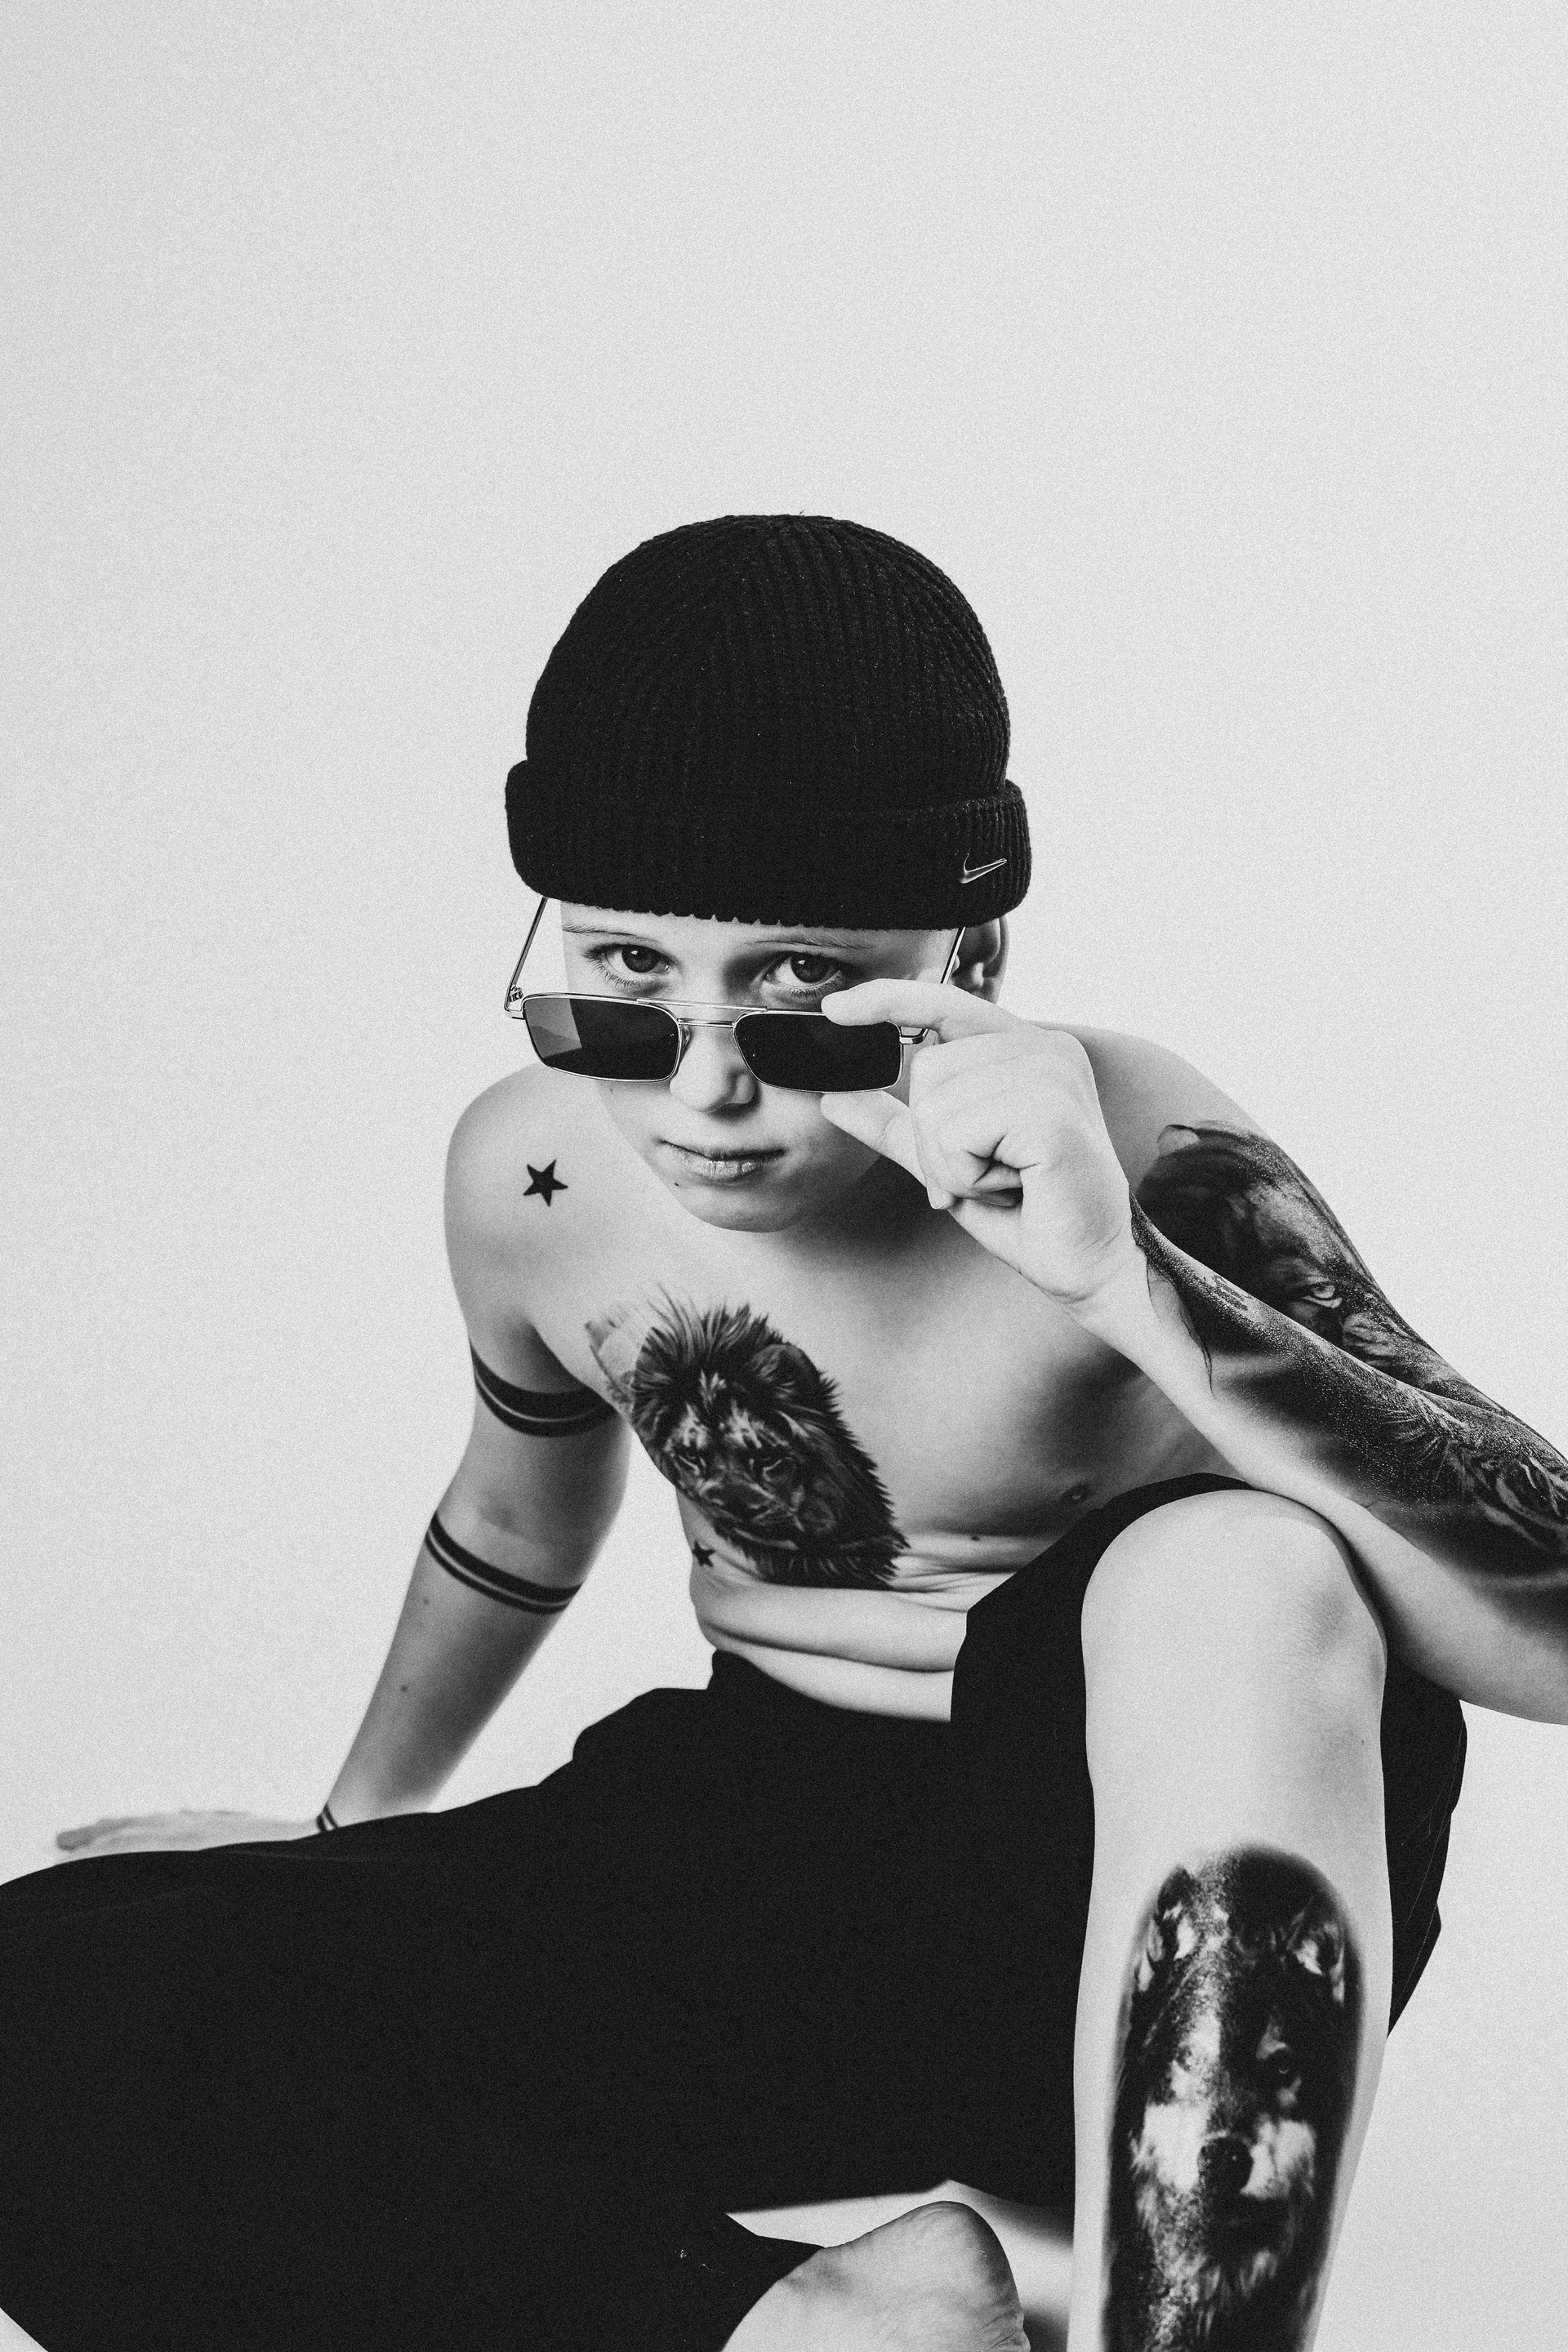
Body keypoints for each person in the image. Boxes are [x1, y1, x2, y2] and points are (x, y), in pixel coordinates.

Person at [3, 514, 1562, 2352]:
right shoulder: (530, 1171)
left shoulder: (1143, 1150)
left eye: (806, 990)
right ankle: (787, 2325)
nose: (704, 1089)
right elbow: (517, 1517)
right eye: (624, 980)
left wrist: (1123, 1279)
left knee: (1238, 1562)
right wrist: (344, 1840)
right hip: (753, 1854)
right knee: (51, 1989)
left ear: (973, 950)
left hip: (1103, 1872)